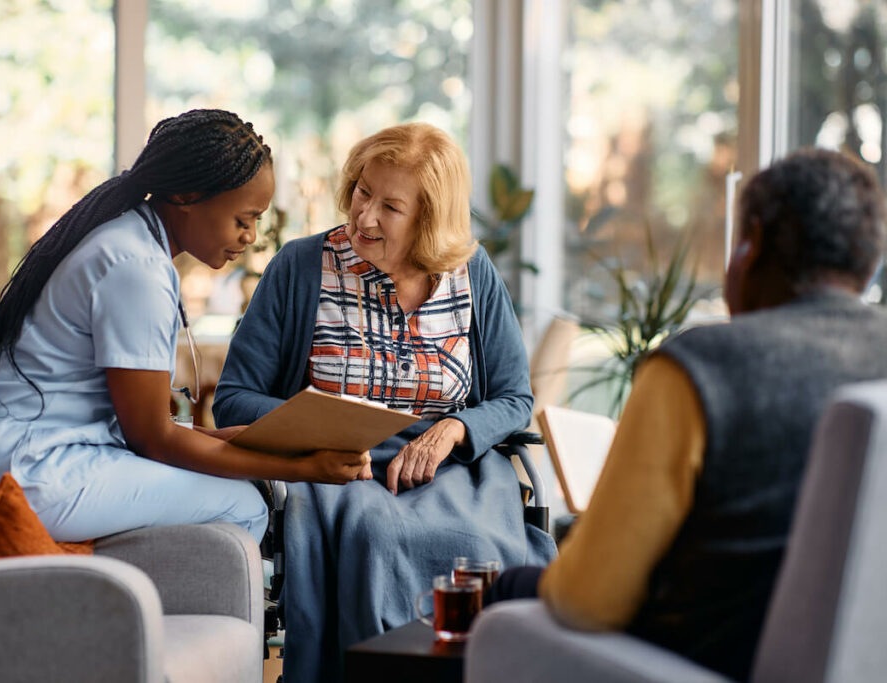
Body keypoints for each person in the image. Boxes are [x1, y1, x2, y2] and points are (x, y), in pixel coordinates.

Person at [487, 148, 887, 681]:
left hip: (700, 656)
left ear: (752, 245)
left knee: (507, 590)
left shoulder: (703, 367)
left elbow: (587, 600)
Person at [0, 109, 371, 545]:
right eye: (243, 219)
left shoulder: (126, 238)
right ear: (186, 197)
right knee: (244, 505)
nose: (251, 236)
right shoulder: (136, 268)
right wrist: (302, 469)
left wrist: (244, 443)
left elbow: (145, 428)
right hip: (20, 471)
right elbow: (153, 440)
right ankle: (128, 612)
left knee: (238, 482)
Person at [213, 122, 558, 682]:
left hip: (451, 468)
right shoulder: (302, 267)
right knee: (376, 540)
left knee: (477, 549)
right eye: (362, 192)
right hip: (338, 469)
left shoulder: (473, 274)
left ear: (429, 218)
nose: (365, 216)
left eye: (391, 207)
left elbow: (515, 397)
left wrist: (454, 430)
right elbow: (232, 401)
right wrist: (319, 424)